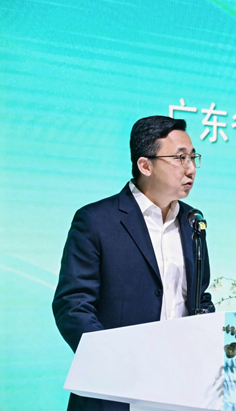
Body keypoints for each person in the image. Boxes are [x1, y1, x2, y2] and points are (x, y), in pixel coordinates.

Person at [52, 116, 214, 410]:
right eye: (180, 158)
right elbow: (73, 305)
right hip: (115, 390)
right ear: (145, 165)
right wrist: (114, 362)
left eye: (193, 158)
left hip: (182, 389)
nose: (190, 168)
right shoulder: (96, 221)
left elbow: (199, 298)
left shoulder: (193, 221)